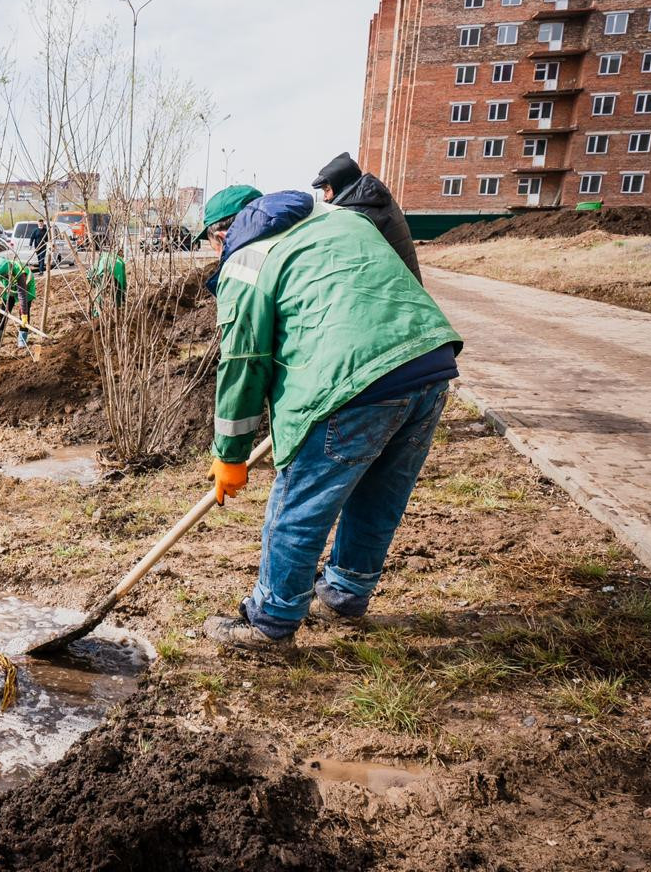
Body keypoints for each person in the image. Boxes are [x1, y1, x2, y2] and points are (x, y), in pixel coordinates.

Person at [196, 185, 462, 648]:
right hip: (428, 363)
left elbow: (242, 361)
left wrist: (230, 455)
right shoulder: (341, 220)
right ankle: (345, 592)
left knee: (299, 503)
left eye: (212, 242)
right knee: (379, 493)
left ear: (224, 233)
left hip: (352, 381)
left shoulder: (247, 258)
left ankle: (271, 621)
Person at [312, 152, 421, 282]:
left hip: (396, 288)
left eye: (327, 190)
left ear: (340, 185)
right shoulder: (371, 198)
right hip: (404, 283)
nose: (325, 197)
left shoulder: (357, 210)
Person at [0, 251, 36, 349]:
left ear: (9, 272)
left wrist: (24, 315)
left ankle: (22, 340)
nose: (4, 278)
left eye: (5, 276)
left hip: (26, 288)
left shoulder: (20, 272)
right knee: (4, 311)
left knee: (24, 314)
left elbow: (22, 296)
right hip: (9, 288)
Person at [87, 251, 127, 317]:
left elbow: (90, 274)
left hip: (101, 273)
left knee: (99, 292)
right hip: (108, 274)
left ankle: (97, 312)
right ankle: (116, 307)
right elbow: (122, 282)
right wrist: (123, 292)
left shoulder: (103, 258)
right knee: (116, 291)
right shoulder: (119, 262)